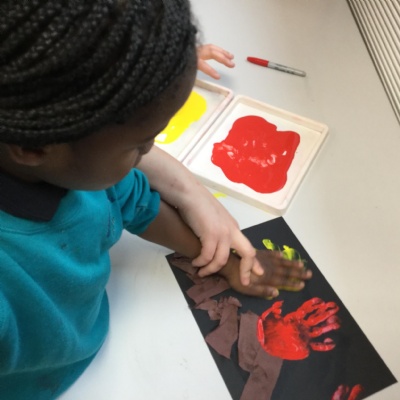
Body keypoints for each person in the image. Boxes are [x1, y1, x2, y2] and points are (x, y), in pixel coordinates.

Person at [0, 1, 312, 398]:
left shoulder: (73, 169)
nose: (150, 155)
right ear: (33, 147)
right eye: (140, 145)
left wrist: (226, 263)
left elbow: (136, 203)